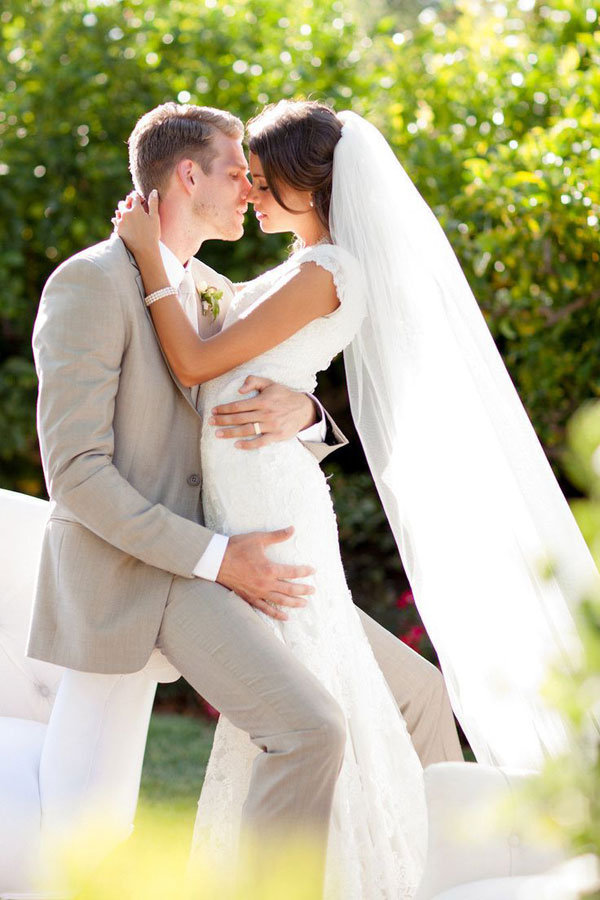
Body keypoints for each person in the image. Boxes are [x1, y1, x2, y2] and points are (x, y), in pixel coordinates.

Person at [116, 97, 600, 893]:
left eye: (266, 183)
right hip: (252, 499)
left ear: (314, 184)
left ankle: (353, 870)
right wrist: (306, 408)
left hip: (271, 511)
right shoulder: (305, 265)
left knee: (312, 709)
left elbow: (200, 365)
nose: (252, 195)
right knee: (307, 707)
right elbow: (248, 356)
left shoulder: (329, 271)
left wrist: (143, 259)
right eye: (247, 179)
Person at [30, 101, 462, 897]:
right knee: (299, 734)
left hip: (253, 543)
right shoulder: (91, 283)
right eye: (239, 173)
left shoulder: (211, 288)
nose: (249, 189)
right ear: (188, 176)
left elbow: (255, 377)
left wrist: (310, 414)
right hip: (157, 568)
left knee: (419, 696)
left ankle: (444, 873)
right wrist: (220, 559)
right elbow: (78, 474)